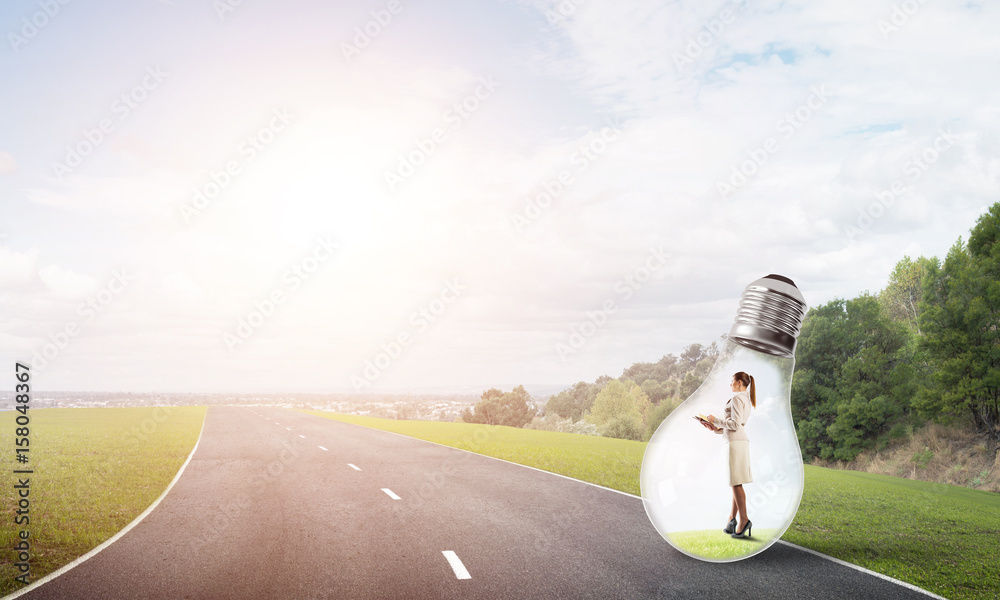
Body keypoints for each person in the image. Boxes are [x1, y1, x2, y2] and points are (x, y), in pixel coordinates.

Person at [699, 371, 755, 538]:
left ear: (739, 383)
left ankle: (744, 520)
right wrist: (715, 428)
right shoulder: (746, 399)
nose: (730, 384)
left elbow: (735, 424)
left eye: (732, 381)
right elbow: (734, 425)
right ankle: (732, 519)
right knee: (735, 482)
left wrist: (715, 419)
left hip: (736, 443)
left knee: (736, 483)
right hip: (738, 441)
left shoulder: (738, 398)